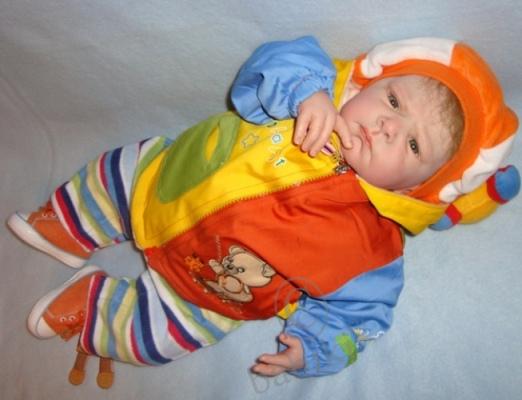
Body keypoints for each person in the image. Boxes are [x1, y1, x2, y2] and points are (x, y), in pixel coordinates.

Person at [7, 36, 518, 382]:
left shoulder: (374, 251)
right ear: (365, 84)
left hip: (208, 293)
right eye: (394, 102)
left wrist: (312, 349)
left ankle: (95, 306)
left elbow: (360, 317)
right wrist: (308, 93)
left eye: (412, 145)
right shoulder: (308, 99)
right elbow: (277, 61)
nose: (389, 127)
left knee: (156, 340)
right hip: (163, 182)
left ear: (418, 189)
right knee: (113, 177)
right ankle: (68, 222)